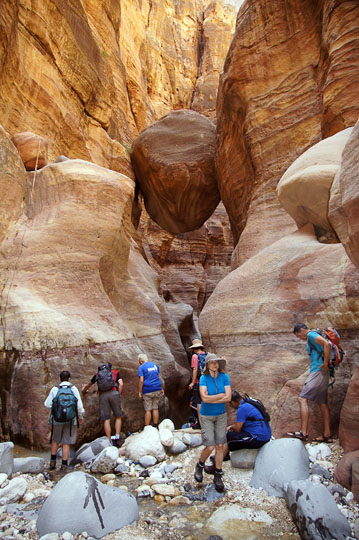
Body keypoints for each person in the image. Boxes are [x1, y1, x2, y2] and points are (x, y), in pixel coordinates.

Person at [288, 323, 332, 442]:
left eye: (299, 335)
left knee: (302, 399)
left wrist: (325, 363)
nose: (300, 338)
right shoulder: (313, 335)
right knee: (322, 403)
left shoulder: (311, 335)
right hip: (322, 372)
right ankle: (327, 435)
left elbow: (327, 344)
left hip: (318, 370)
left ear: (302, 330)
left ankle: (304, 432)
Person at [194, 353, 231, 492]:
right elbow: (204, 399)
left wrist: (213, 398)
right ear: (207, 365)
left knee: (220, 445)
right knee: (209, 446)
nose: (215, 365)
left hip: (220, 415)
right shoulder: (203, 378)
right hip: (207, 415)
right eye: (212, 363)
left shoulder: (224, 377)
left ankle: (218, 474)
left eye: (216, 363)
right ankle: (200, 465)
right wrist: (221, 396)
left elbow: (228, 398)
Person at [44, 370, 84, 471]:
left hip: (57, 419)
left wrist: (56, 410)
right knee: (66, 441)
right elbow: (79, 406)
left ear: (60, 379)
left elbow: (47, 404)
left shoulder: (55, 389)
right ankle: (64, 465)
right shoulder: (73, 389)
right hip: (71, 420)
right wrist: (80, 417)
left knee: (55, 439)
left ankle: (52, 462)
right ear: (69, 379)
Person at [219, 391, 271, 460]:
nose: (231, 406)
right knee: (231, 436)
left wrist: (231, 427)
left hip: (258, 438)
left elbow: (237, 429)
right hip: (265, 435)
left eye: (230, 404)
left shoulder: (242, 408)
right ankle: (224, 455)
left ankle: (217, 465)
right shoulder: (248, 402)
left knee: (229, 438)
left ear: (233, 402)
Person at [82, 362, 123, 442]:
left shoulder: (98, 374)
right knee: (118, 416)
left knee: (106, 418)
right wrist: (119, 394)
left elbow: (89, 384)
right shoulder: (115, 372)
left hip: (103, 396)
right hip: (114, 393)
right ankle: (117, 435)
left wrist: (84, 390)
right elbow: (121, 384)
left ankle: (108, 439)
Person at [138, 353, 164, 428]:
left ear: (141, 361)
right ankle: (155, 426)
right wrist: (161, 388)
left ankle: (147, 427)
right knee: (155, 408)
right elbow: (159, 377)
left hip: (147, 390)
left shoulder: (141, 367)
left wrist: (139, 392)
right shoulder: (155, 365)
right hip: (157, 388)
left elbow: (141, 380)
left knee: (148, 409)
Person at [188, 338, 207, 422]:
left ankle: (200, 422)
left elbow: (195, 369)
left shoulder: (195, 356)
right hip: (208, 382)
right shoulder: (208, 355)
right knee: (207, 401)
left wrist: (192, 383)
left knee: (199, 402)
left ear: (194, 349)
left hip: (198, 382)